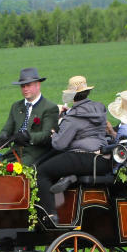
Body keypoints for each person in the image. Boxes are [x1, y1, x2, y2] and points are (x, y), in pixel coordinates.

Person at [35, 76, 111, 225]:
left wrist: (54, 128)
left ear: (71, 94)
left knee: (42, 172)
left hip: (83, 157)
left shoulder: (73, 118)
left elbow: (59, 144)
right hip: (103, 159)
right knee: (59, 163)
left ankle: (50, 215)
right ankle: (70, 177)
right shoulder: (98, 109)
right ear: (86, 93)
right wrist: (69, 113)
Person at [0, 67, 59, 166]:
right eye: (23, 86)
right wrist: (3, 137)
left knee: (13, 172)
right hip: (15, 150)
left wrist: (28, 137)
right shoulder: (16, 106)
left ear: (38, 85)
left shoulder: (50, 107)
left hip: (36, 152)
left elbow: (47, 135)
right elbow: (7, 128)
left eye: (28, 85)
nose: (25, 89)